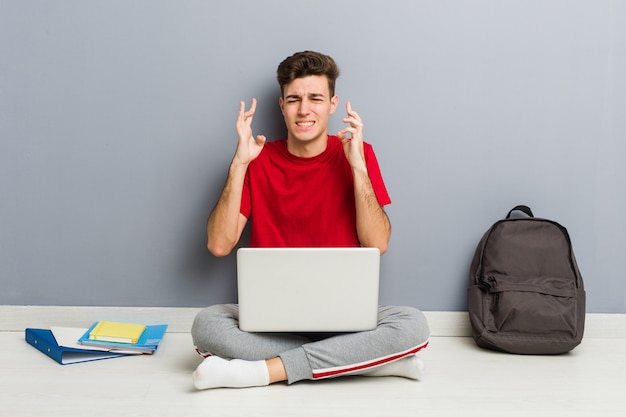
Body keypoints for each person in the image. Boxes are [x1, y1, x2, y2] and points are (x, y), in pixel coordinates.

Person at [191, 51, 430, 390]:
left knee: (413, 324)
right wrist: (239, 164)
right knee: (207, 325)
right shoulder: (257, 160)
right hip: (271, 322)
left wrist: (358, 166)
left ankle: (262, 372)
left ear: (333, 103)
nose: (304, 110)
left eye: (315, 98)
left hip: (345, 321)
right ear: (282, 106)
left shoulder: (358, 155)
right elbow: (219, 244)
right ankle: (362, 363)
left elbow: (377, 244)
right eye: (294, 100)